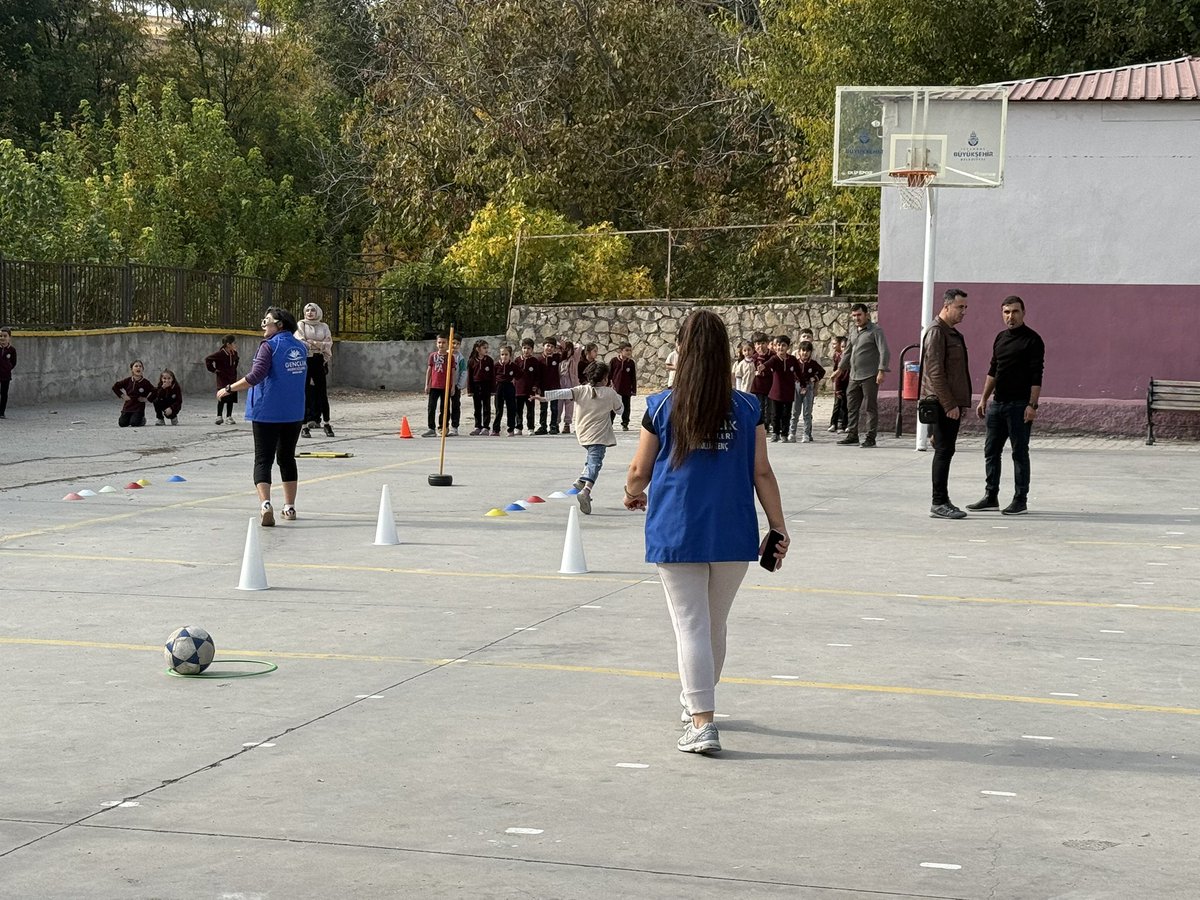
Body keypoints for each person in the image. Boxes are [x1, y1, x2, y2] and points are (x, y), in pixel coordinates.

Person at [623, 309, 789, 755]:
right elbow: (763, 472)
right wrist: (778, 526)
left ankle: (702, 721)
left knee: (691, 625)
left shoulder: (660, 405)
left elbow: (639, 470)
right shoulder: (748, 406)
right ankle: (695, 702)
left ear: (682, 351)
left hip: (677, 528)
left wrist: (632, 491)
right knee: (714, 624)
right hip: (733, 528)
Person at [217, 307, 307, 526]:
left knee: (263, 459)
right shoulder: (301, 347)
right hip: (293, 412)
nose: (263, 325)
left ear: (280, 325)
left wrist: (228, 388)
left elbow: (255, 376)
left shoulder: (269, 347)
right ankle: (290, 507)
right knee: (287, 457)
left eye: (266, 321)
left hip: (267, 411)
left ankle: (266, 504)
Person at [968, 295, 1046, 516]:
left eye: (1015, 312)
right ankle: (991, 496)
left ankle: (1020, 499)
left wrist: (1032, 405)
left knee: (1019, 453)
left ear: (1023, 313)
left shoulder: (1033, 340)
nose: (1010, 316)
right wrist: (984, 399)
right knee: (991, 451)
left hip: (1020, 405)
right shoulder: (1000, 338)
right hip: (998, 404)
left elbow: (1036, 375)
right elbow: (993, 370)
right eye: (1006, 312)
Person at [541, 361, 623, 515]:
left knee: (592, 458)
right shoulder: (609, 393)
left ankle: (581, 480)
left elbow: (563, 393)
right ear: (605, 378)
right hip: (598, 435)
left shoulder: (581, 390)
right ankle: (586, 491)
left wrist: (544, 397)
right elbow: (619, 410)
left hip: (583, 433)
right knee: (595, 463)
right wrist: (614, 393)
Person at [921, 289, 973, 519]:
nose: (963, 312)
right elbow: (935, 372)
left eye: (965, 308)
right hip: (942, 403)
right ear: (946, 306)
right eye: (960, 307)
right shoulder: (936, 332)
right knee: (943, 451)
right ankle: (938, 501)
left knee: (946, 449)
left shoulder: (951, 333)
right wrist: (950, 404)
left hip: (950, 403)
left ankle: (943, 498)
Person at [835, 303, 890, 448]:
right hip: (854, 375)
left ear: (866, 314)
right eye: (854, 315)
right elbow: (847, 352)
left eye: (859, 315)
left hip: (870, 375)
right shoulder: (853, 331)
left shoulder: (875, 331)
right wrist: (840, 369)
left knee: (870, 407)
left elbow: (884, 351)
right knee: (851, 406)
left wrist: (881, 370)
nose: (856, 318)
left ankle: (870, 437)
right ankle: (852, 434)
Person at [296, 302, 334, 439]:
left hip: (318, 360)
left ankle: (327, 423)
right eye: (307, 310)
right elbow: (301, 341)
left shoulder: (323, 326)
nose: (310, 313)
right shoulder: (302, 324)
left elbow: (328, 343)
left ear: (317, 312)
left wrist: (315, 343)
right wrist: (317, 344)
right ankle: (304, 425)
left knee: (322, 392)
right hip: (306, 360)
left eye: (312, 310)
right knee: (304, 392)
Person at [762, 335, 800, 443]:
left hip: (788, 392)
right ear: (775, 347)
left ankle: (784, 434)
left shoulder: (792, 359)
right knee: (775, 414)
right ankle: (775, 433)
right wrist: (762, 367)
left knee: (786, 414)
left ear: (788, 347)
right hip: (776, 393)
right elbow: (767, 364)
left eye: (783, 345)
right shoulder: (774, 359)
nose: (780, 348)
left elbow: (798, 372)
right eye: (778, 345)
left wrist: (803, 384)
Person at [790, 340, 826, 443]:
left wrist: (814, 378)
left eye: (807, 351)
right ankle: (792, 433)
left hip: (808, 387)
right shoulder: (795, 362)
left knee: (807, 412)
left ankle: (806, 434)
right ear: (799, 351)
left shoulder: (813, 364)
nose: (805, 353)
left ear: (811, 353)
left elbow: (822, 372)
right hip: (797, 386)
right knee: (795, 412)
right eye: (803, 350)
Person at [423, 334, 452, 438]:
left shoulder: (450, 357)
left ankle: (443, 427)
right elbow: (429, 370)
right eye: (439, 342)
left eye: (444, 342)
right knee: (431, 407)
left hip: (446, 386)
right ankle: (431, 428)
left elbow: (452, 372)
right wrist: (427, 384)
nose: (441, 345)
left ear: (447, 344)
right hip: (434, 386)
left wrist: (452, 387)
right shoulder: (433, 356)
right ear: (436, 343)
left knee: (445, 408)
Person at [206, 335, 239, 424]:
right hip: (223, 379)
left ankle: (229, 416)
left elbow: (237, 360)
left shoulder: (234, 353)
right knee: (222, 397)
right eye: (234, 343)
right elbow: (208, 359)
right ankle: (219, 416)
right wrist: (214, 370)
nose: (235, 344)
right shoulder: (220, 354)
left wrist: (234, 370)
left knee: (231, 398)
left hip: (232, 379)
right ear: (228, 344)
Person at [112, 360, 155, 427]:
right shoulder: (127, 380)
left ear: (142, 369)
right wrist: (122, 395)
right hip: (128, 406)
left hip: (138, 407)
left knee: (134, 423)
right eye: (136, 366)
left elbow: (155, 391)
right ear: (132, 369)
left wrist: (147, 399)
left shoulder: (145, 382)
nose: (138, 368)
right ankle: (130, 418)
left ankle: (142, 419)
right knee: (122, 424)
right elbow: (115, 387)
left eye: (140, 366)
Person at [467, 340, 495, 435]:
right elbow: (469, 377)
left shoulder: (489, 360)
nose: (486, 350)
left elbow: (492, 376)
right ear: (478, 349)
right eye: (484, 348)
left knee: (487, 407)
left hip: (486, 385)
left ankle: (486, 427)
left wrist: (493, 389)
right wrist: (470, 390)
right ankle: (477, 426)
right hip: (476, 386)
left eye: (487, 348)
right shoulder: (471, 361)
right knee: (477, 407)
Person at [513, 338, 541, 435]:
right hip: (518, 390)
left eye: (528, 348)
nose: (526, 350)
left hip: (529, 391)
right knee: (518, 410)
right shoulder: (517, 360)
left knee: (530, 410)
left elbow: (538, 376)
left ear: (532, 349)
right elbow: (513, 375)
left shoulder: (534, 361)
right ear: (521, 348)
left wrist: (535, 386)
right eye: (524, 348)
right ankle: (518, 427)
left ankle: (530, 428)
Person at [608, 342, 637, 430]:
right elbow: (609, 374)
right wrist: (607, 385)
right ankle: (610, 423)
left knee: (626, 407)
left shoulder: (631, 363)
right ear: (621, 351)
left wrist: (634, 389)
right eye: (626, 350)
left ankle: (625, 423)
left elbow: (633, 377)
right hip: (615, 389)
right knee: (612, 407)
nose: (629, 352)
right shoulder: (614, 361)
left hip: (626, 389)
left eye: (630, 350)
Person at [536, 338, 562, 434]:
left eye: (552, 346)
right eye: (547, 345)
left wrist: (561, 346)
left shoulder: (557, 357)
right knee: (543, 408)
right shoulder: (539, 359)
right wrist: (537, 386)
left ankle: (554, 426)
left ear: (554, 348)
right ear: (543, 346)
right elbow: (537, 375)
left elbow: (567, 354)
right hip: (543, 387)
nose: (549, 348)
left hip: (554, 387)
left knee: (554, 408)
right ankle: (543, 426)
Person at [492, 345, 518, 436]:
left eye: (506, 354)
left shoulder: (513, 366)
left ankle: (511, 429)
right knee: (499, 409)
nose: (504, 356)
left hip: (509, 387)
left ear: (510, 355)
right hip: (499, 387)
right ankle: (496, 429)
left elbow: (520, 374)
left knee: (511, 408)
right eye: (502, 354)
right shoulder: (496, 365)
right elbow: (492, 376)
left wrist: (514, 379)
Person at [558, 339, 582, 434]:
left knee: (569, 405)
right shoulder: (559, 358)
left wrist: (572, 343)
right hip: (560, 383)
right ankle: (556, 423)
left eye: (569, 349)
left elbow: (579, 347)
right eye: (566, 349)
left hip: (570, 383)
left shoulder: (574, 359)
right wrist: (562, 346)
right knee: (559, 404)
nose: (567, 351)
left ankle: (567, 424)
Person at [827, 336, 849, 433]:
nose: (844, 349)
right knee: (837, 404)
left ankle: (845, 425)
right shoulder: (838, 357)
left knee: (846, 405)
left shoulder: (852, 359)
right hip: (840, 384)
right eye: (843, 347)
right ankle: (833, 424)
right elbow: (836, 371)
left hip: (849, 384)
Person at [0, 327, 15, 418]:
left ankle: (2, 412)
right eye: (0, 336)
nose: (2, 338)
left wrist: (7, 368)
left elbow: (14, 362)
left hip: (6, 375)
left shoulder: (12, 350)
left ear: (9, 337)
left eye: (5, 336)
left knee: (4, 393)